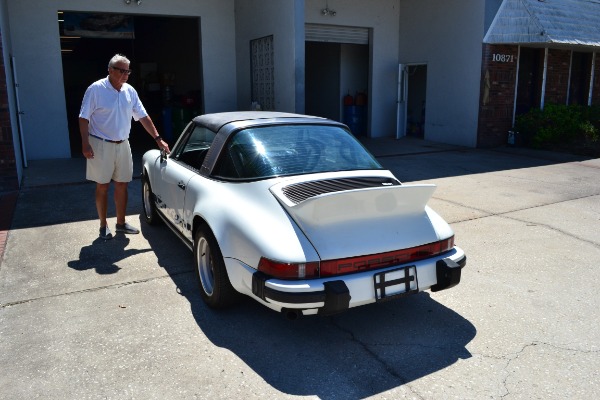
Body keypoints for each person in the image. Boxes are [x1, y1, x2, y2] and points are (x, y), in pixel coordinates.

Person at [79, 54, 170, 240]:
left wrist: (157, 138)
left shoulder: (130, 91)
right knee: (102, 186)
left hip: (123, 144)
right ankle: (103, 226)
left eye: (127, 71)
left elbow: (143, 117)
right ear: (110, 70)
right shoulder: (96, 89)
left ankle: (120, 223)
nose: (125, 74)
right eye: (121, 70)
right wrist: (85, 143)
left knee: (122, 184)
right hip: (100, 144)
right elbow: (83, 117)